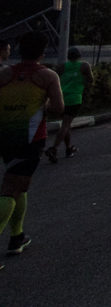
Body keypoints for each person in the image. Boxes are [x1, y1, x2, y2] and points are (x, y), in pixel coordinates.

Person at [0, 32, 64, 261]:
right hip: (30, 139)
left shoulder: (5, 73)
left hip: (5, 137)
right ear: (42, 53)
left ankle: (17, 235)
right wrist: (42, 104)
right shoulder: (47, 76)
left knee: (21, 184)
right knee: (10, 188)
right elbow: (58, 108)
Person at [44, 47, 93, 163]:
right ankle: (54, 148)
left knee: (66, 125)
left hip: (62, 97)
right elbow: (91, 80)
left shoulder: (62, 67)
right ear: (79, 56)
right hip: (74, 98)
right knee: (66, 124)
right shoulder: (84, 65)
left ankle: (68, 148)